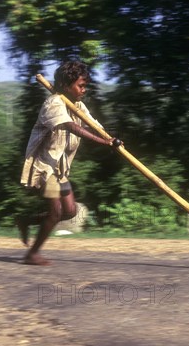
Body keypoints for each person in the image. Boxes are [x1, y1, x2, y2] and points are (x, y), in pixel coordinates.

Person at [18, 61, 119, 265]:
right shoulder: (53, 103)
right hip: (46, 166)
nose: (84, 89)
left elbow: (93, 125)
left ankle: (26, 220)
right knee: (55, 213)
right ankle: (32, 254)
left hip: (60, 168)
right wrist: (103, 142)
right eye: (80, 85)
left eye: (85, 85)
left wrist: (111, 139)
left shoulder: (79, 106)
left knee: (70, 211)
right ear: (66, 85)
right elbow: (71, 126)